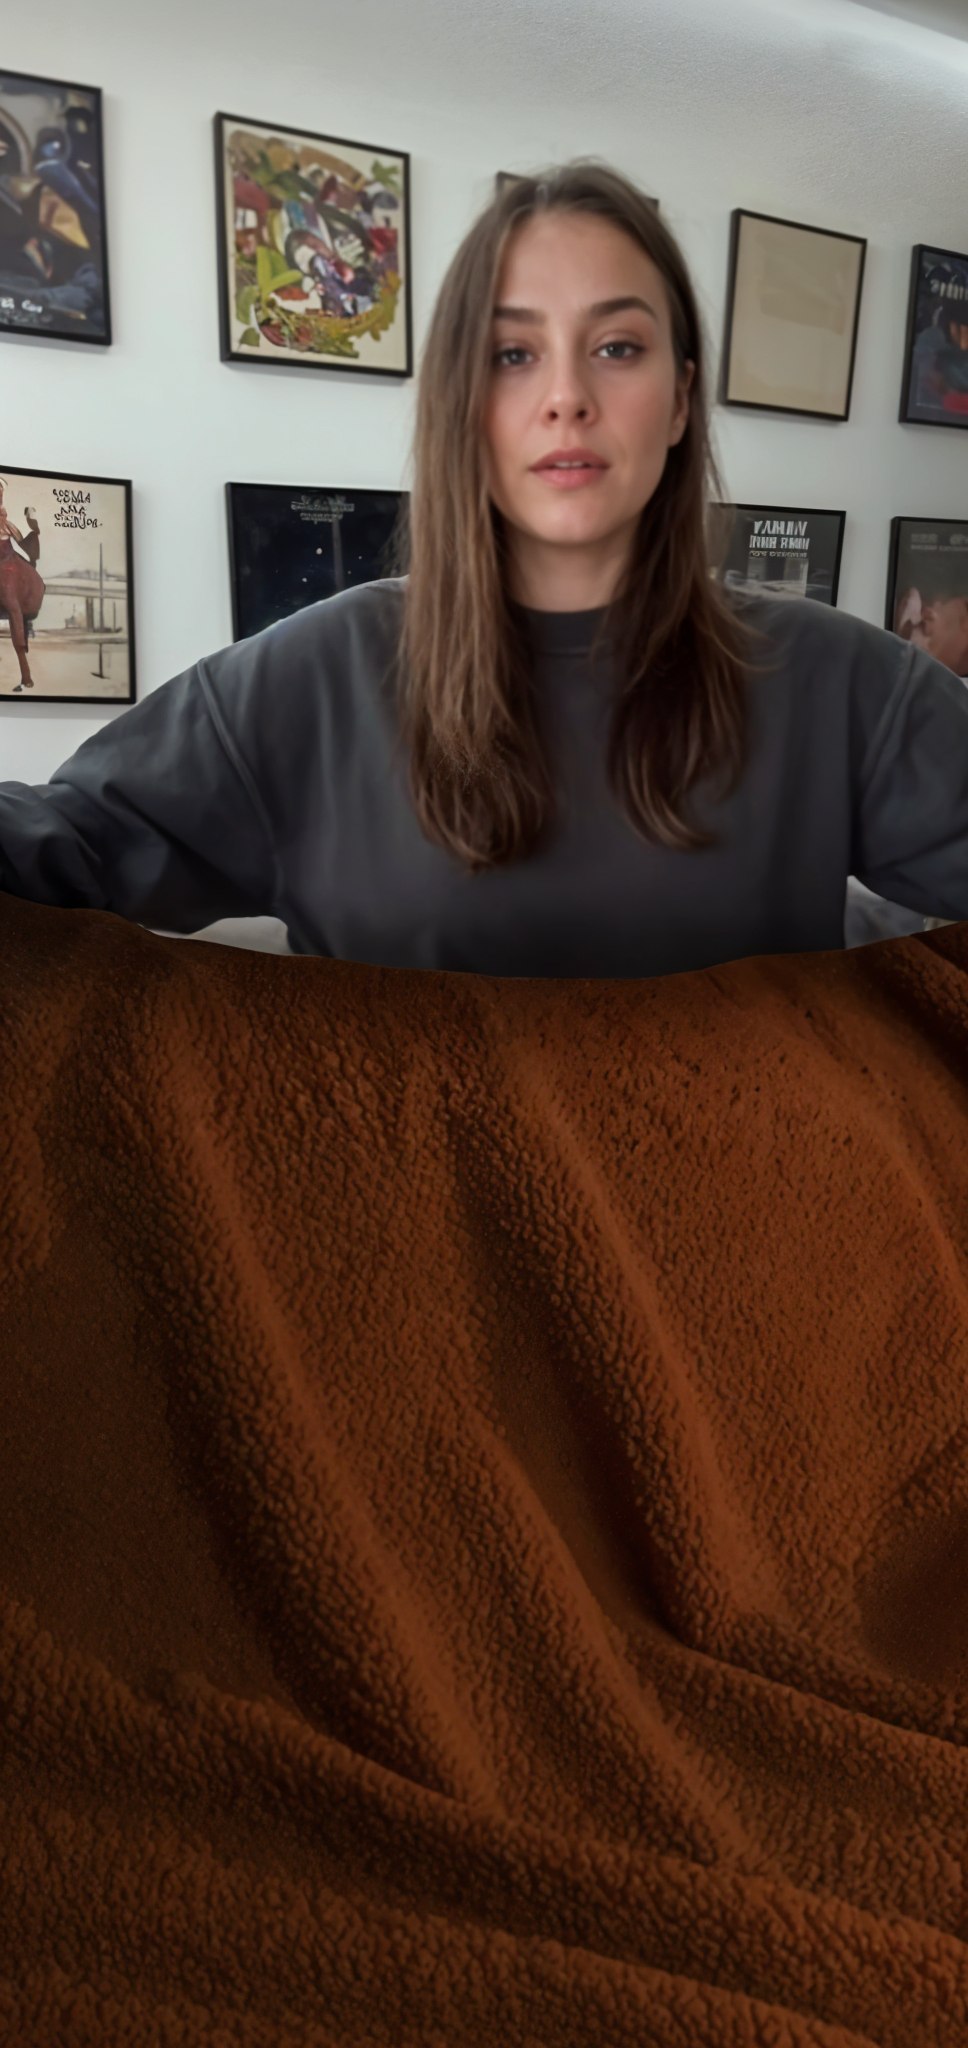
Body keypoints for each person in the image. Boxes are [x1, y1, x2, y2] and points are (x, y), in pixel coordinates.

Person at [1, 160, 967, 976]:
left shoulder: (845, 683)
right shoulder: (309, 679)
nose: (566, 396)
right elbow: (63, 847)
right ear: (459, 400)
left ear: (680, 401)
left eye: (617, 346)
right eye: (512, 353)